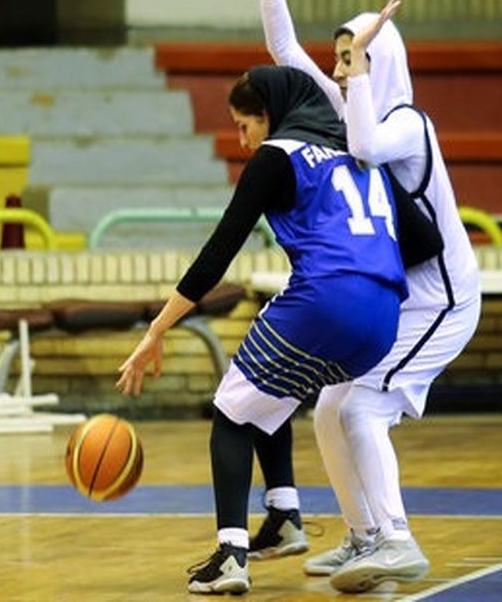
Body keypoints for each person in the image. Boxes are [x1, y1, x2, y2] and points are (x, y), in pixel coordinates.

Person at [251, 0, 483, 593]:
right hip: (399, 295)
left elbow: (363, 140)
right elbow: (284, 49)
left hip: (442, 300)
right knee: (328, 406)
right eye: (341, 55)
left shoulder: (409, 123)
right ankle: (361, 537)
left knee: (364, 406)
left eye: (353, 56)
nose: (341, 65)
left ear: (381, 62)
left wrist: (356, 76)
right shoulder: (354, 98)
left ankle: (399, 540)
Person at [117, 65, 408, 595]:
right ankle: (284, 516)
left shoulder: (279, 154)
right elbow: (421, 237)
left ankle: (231, 555)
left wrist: (156, 330)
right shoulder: (360, 152)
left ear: (269, 116)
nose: (241, 138)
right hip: (386, 316)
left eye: (243, 124)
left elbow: (217, 254)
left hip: (327, 297)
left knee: (230, 409)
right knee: (266, 394)